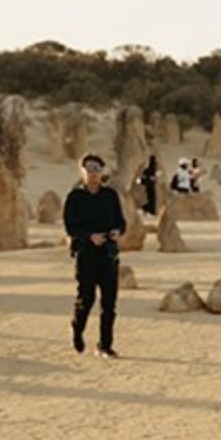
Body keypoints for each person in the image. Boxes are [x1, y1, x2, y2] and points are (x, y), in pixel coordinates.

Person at [62, 153, 126, 357]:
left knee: (109, 303)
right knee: (86, 299)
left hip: (108, 254)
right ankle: (77, 330)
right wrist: (89, 237)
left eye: (97, 169)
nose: (93, 173)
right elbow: (70, 226)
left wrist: (117, 232)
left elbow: (121, 222)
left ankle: (105, 345)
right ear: (82, 171)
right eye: (89, 169)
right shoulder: (75, 197)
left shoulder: (110, 196)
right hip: (86, 254)